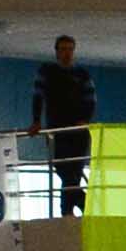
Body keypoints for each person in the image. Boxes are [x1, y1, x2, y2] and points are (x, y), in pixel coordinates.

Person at [31, 34, 98, 213]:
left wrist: (85, 120)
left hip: (78, 132)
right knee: (64, 172)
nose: (66, 53)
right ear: (57, 52)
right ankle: (89, 208)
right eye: (63, 49)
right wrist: (36, 121)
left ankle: (67, 212)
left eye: (69, 49)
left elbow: (91, 101)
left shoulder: (82, 75)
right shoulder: (46, 72)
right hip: (57, 131)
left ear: (73, 51)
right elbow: (37, 97)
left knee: (72, 175)